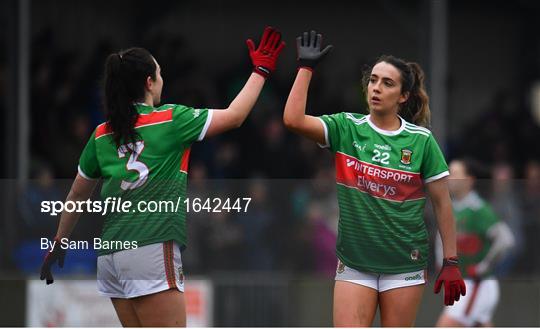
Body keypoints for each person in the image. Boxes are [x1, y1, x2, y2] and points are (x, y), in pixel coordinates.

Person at [39, 26, 285, 327]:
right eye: (160, 73)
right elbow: (235, 115)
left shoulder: (101, 134)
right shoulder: (170, 119)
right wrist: (260, 70)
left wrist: (59, 242)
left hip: (112, 256)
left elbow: (77, 195)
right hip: (150, 247)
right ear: (149, 82)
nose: (162, 80)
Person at [283, 30, 465, 327]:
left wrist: (451, 261)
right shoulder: (346, 127)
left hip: (404, 265)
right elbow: (292, 119)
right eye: (373, 80)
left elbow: (443, 204)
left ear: (403, 96)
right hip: (355, 264)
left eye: (387, 83)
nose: (376, 88)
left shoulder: (421, 141)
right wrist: (305, 68)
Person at [436, 158, 515, 327]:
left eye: (455, 173)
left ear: (469, 180)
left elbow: (506, 240)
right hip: (462, 285)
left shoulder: (479, 210)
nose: (449, 177)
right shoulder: (451, 208)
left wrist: (483, 266)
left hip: (476, 285)